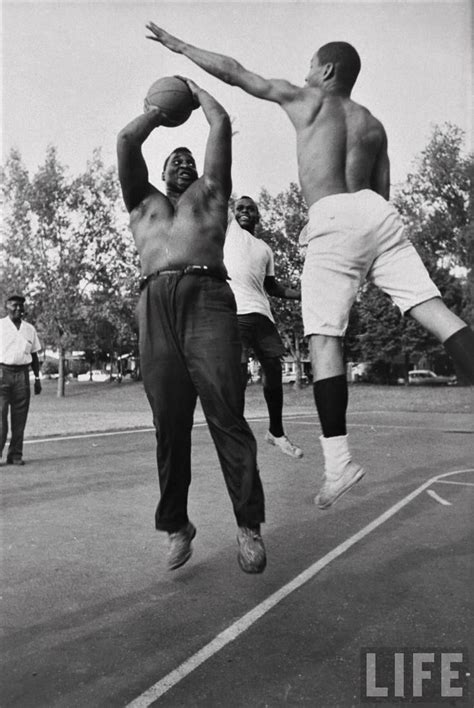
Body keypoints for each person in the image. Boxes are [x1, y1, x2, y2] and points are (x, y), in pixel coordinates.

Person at [145, 27, 474, 510]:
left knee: (324, 339)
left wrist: (182, 53)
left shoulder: (309, 100)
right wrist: (366, 257)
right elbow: (381, 192)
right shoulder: (374, 125)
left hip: (334, 215)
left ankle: (338, 463)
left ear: (326, 70)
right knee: (438, 313)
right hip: (378, 216)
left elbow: (238, 74)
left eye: (309, 66)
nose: (304, 73)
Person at [116, 77, 266, 573]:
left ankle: (248, 526)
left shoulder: (212, 193)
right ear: (158, 171)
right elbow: (125, 141)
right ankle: (177, 526)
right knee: (169, 426)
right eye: (173, 159)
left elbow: (220, 122)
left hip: (207, 298)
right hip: (153, 303)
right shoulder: (143, 202)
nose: (184, 161)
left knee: (227, 414)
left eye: (189, 157)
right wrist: (160, 111)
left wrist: (193, 89)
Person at [224, 195, 303, 459]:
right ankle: (236, 436)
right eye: (240, 208)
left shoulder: (265, 249)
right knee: (239, 374)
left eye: (251, 209)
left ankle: (276, 432)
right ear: (233, 214)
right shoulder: (229, 230)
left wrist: (302, 293)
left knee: (274, 370)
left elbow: (272, 287)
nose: (245, 211)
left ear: (258, 216)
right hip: (237, 314)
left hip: (263, 316)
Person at [0, 295, 42, 466]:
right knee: (1, 418)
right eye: (14, 305)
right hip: (2, 372)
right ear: (6, 307)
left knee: (20, 418)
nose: (18, 309)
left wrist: (37, 378)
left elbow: (34, 354)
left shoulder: (29, 329)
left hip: (22, 375)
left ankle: (15, 454)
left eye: (21, 306)